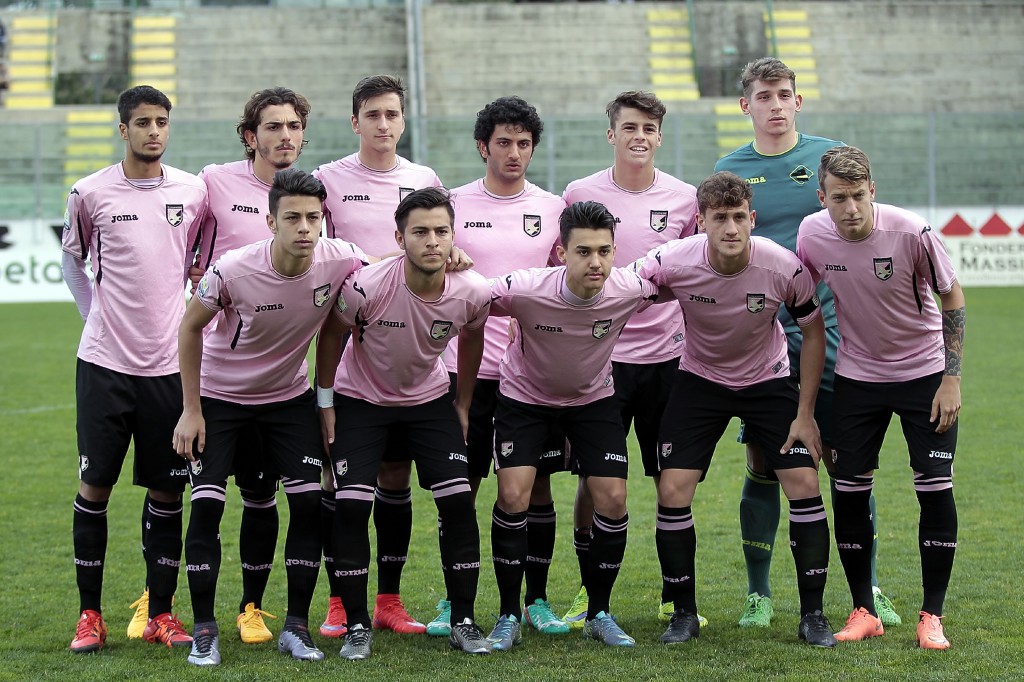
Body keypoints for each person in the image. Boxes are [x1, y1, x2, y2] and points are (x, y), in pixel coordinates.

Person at [714, 56, 898, 628]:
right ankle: (759, 593)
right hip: (762, 338)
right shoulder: (731, 167)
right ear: (746, 105)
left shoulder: (827, 158)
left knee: (851, 463)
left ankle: (866, 588)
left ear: (798, 101)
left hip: (836, 332)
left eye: (784, 94)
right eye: (763, 95)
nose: (774, 104)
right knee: (766, 462)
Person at [135, 86, 311, 649]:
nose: (285, 136)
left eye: (293, 127)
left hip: (276, 378)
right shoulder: (213, 182)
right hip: (202, 368)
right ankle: (155, 598)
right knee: (174, 486)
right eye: (273, 126)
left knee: (262, 496)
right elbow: (169, 235)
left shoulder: (309, 199)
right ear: (249, 135)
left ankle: (251, 609)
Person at [173, 168, 371, 666]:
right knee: (208, 508)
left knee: (307, 508)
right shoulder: (232, 269)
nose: (305, 228)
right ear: (270, 222)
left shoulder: (340, 259)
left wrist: (450, 256)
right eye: (293, 218)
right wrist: (191, 410)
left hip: (287, 400)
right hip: (221, 399)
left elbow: (394, 267)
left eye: (313, 218)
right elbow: (190, 328)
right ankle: (204, 630)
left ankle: (296, 628)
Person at [635, 171, 836, 648]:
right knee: (673, 487)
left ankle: (813, 615)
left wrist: (805, 415)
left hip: (767, 381)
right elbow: (620, 290)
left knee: (805, 482)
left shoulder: (782, 266)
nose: (729, 228)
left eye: (738, 217)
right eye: (718, 218)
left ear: (753, 218)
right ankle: (683, 613)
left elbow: (813, 331)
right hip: (700, 380)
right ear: (701, 221)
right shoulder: (672, 261)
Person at [796, 146, 965, 650]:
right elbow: (804, 305)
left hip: (923, 376)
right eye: (838, 198)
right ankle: (863, 609)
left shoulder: (910, 231)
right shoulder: (811, 235)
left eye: (858, 196)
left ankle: (931, 614)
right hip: (858, 377)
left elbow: (951, 296)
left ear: (874, 192)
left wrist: (951, 379)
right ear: (821, 196)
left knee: (934, 487)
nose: (849, 209)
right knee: (848, 488)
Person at [316, 187, 493, 659]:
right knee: (351, 506)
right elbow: (332, 334)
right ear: (399, 237)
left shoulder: (472, 290)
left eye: (441, 231)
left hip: (429, 399)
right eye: (420, 232)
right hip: (361, 400)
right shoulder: (368, 285)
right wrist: (326, 401)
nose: (432, 241)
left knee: (458, 502)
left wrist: (463, 401)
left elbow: (473, 338)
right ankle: (356, 626)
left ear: (454, 236)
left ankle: (464, 621)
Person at [62, 85, 207, 653]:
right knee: (94, 487)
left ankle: (161, 614)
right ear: (123, 129)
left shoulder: (192, 192)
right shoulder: (89, 192)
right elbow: (74, 261)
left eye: (162, 121)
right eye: (142, 122)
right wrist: (96, 319)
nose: (153, 131)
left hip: (169, 371)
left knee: (168, 494)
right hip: (104, 366)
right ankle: (89, 616)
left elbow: (199, 266)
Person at [485, 200, 661, 650]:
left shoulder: (629, 289)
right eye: (583, 251)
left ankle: (599, 611)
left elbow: (681, 282)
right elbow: (473, 297)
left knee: (614, 498)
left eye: (604, 251)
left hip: (593, 401)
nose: (595, 262)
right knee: (512, 495)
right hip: (524, 401)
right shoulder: (525, 289)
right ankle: (509, 615)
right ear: (561, 253)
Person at [560, 90, 700, 629]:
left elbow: (694, 272)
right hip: (602, 361)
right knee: (592, 481)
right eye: (629, 127)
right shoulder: (580, 194)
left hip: (668, 360)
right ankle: (586, 591)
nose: (639, 136)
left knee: (671, 477)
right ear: (611, 134)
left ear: (660, 136)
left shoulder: (685, 198)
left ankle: (673, 595)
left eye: (649, 128)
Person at [312, 74, 442, 638]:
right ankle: (341, 601)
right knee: (337, 484)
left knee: (395, 478)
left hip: (403, 356)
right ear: (355, 121)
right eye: (372, 115)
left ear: (403, 120)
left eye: (392, 114)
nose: (383, 125)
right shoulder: (329, 180)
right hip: (343, 353)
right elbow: (319, 250)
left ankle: (388, 599)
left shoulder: (423, 179)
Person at [435, 95, 569, 640]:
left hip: (532, 375)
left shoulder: (554, 208)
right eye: (504, 142)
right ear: (482, 146)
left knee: (535, 490)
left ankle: (535, 599)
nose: (514, 152)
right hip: (459, 371)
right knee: (458, 490)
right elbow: (427, 262)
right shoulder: (451, 205)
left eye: (524, 143)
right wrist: (448, 256)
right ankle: (454, 599)